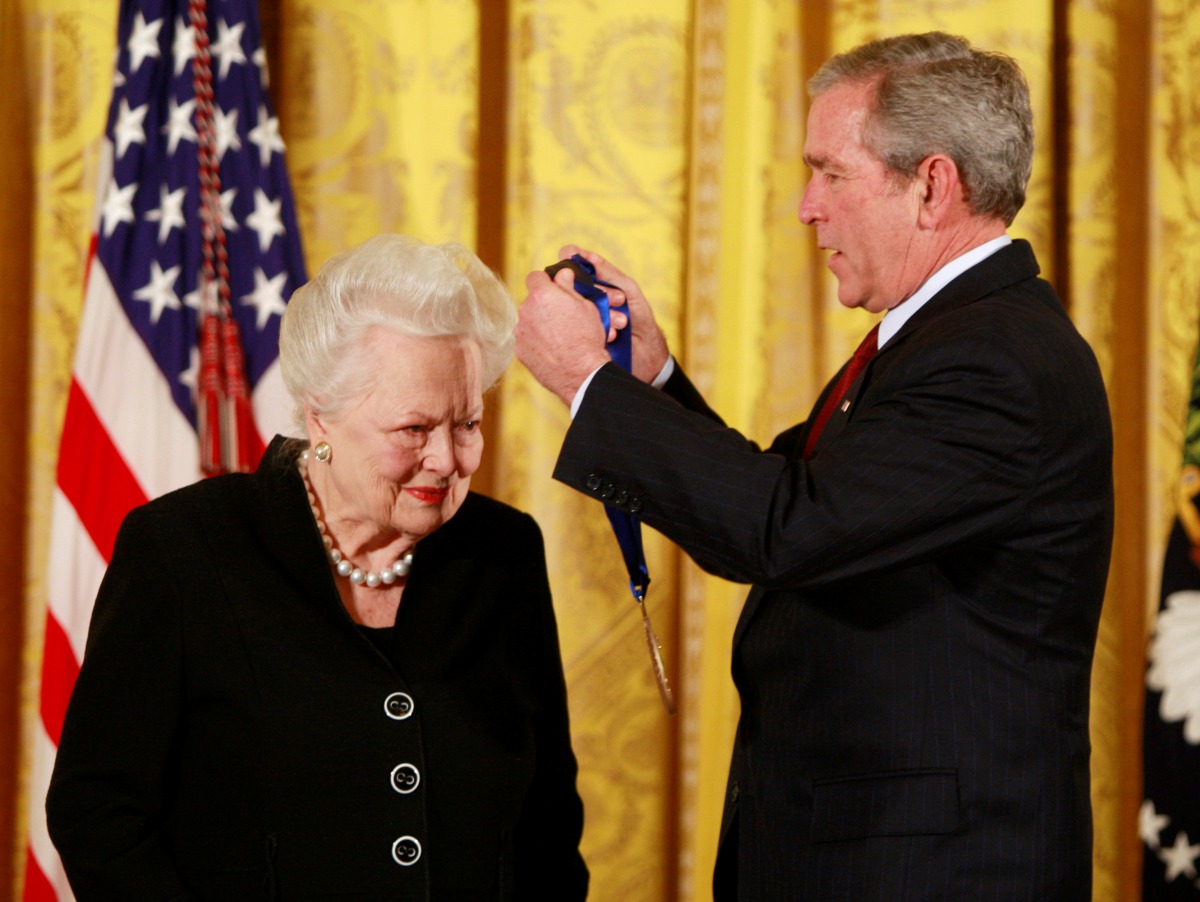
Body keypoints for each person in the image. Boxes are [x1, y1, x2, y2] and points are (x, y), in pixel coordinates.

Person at [515, 31, 1112, 902]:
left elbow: (784, 528)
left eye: (831, 172)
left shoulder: (994, 360)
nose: (805, 206)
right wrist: (653, 382)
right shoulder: (950, 336)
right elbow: (801, 498)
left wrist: (590, 388)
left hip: (927, 874)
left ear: (932, 186)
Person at [46, 234, 589, 900]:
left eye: (467, 423)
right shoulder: (183, 550)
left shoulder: (506, 553)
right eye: (414, 429)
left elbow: (548, 828)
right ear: (321, 418)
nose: (448, 459)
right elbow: (97, 812)